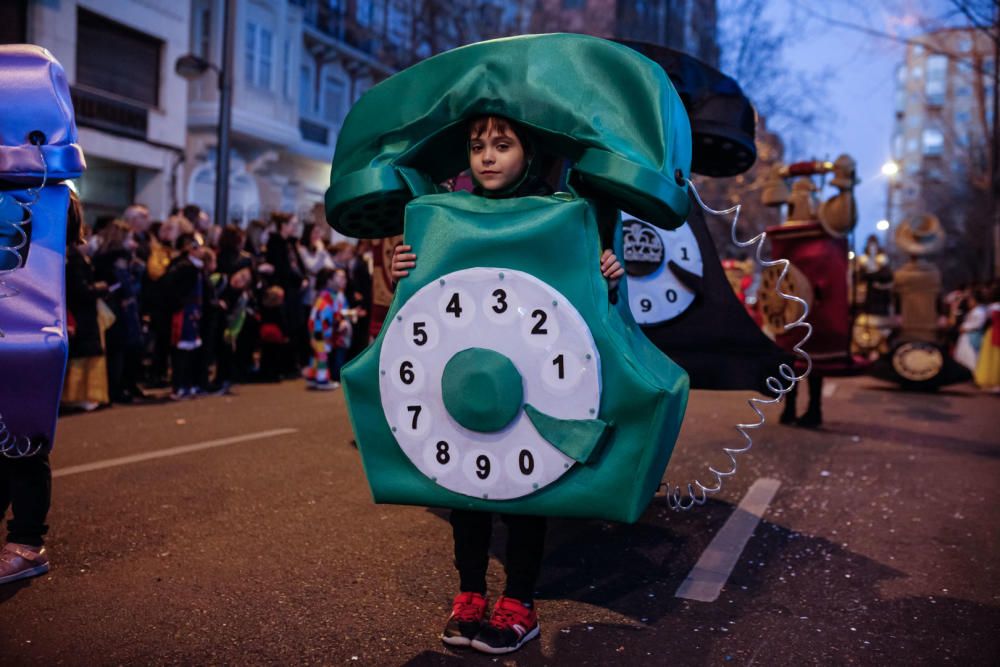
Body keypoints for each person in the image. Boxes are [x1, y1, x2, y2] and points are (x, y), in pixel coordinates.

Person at [390, 115, 624, 655]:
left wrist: (609, 269)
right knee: (465, 492)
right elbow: (420, 293)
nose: (487, 157)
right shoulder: (445, 217)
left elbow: (593, 302)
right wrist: (403, 261)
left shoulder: (562, 216)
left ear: (529, 152)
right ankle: (469, 593)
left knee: (526, 490)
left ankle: (519, 602)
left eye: (502, 145)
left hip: (536, 376)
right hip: (470, 379)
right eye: (477, 147)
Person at [304, 268, 352, 390]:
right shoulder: (328, 296)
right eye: (338, 277)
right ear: (329, 281)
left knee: (317, 353)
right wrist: (337, 323)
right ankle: (322, 380)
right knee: (322, 355)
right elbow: (330, 314)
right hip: (320, 328)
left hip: (318, 327)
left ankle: (312, 378)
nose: (342, 280)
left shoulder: (329, 295)